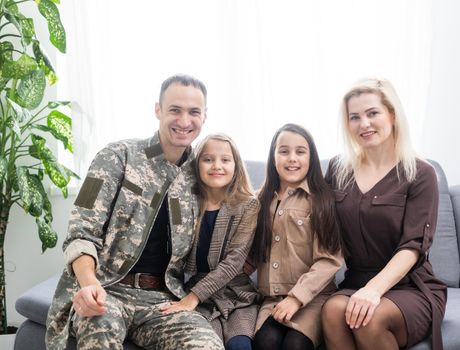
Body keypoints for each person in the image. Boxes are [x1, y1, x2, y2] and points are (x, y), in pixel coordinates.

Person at [46, 74, 224, 350]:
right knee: (98, 338)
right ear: (158, 110)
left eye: (194, 112)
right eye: (175, 110)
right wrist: (89, 284)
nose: (184, 121)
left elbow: (242, 197)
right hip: (107, 290)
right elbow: (81, 232)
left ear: (204, 116)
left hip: (163, 301)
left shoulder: (200, 174)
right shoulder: (116, 156)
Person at [321, 77, 447, 350]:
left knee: (369, 318)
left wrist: (374, 291)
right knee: (332, 311)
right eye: (354, 117)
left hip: (409, 286)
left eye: (372, 113)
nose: (363, 123)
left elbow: (413, 247)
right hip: (356, 280)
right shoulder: (337, 169)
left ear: (392, 114)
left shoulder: (421, 173)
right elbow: (314, 220)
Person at [160, 133, 260, 350]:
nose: (217, 166)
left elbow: (234, 261)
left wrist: (192, 298)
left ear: (236, 166)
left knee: (239, 346)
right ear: (197, 166)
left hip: (237, 296)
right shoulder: (186, 205)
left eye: (225, 160)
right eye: (208, 159)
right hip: (201, 299)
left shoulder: (248, 206)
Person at [250, 123, 343, 350]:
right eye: (284, 151)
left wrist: (296, 298)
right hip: (273, 299)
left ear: (311, 158)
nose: (292, 158)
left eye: (300, 152)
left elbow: (329, 260)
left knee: (295, 345)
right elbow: (250, 251)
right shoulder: (259, 201)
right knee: (266, 342)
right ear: (273, 158)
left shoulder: (321, 200)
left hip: (313, 297)